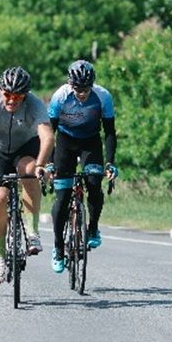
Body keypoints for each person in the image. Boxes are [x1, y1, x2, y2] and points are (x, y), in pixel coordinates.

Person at [0, 66, 55, 284]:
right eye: (7, 94)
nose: (11, 100)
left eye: (18, 96)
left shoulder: (35, 104)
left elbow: (48, 137)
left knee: (29, 172)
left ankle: (32, 231)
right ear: (1, 90)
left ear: (25, 95)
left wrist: (41, 165)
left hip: (25, 148)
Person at [48, 60, 118, 273]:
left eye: (86, 89)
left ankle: (93, 228)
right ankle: (58, 247)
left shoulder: (103, 96)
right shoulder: (60, 96)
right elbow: (49, 133)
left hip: (90, 142)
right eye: (78, 89)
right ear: (71, 85)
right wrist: (49, 162)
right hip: (65, 142)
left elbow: (110, 132)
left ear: (92, 85)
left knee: (94, 182)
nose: (82, 94)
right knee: (62, 196)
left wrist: (110, 162)